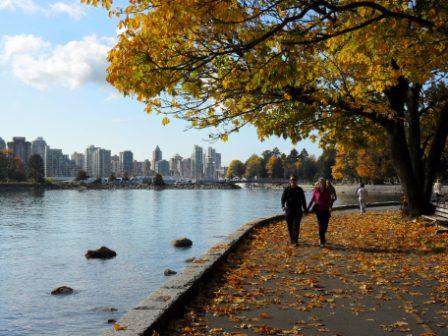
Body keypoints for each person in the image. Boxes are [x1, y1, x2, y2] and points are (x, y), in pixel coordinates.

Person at [281, 174, 307, 246]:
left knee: (296, 226)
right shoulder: (286, 189)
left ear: (296, 181)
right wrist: (283, 206)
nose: (293, 181)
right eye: (292, 180)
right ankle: (292, 239)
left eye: (294, 180)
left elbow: (303, 200)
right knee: (290, 226)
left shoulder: (300, 190)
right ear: (290, 181)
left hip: (298, 211)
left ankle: (295, 241)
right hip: (289, 211)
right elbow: (283, 199)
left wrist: (305, 209)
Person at [307, 177, 333, 247]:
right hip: (318, 211)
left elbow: (330, 201)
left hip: (326, 211)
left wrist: (330, 208)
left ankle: (322, 237)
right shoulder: (315, 191)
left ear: (324, 184)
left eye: (323, 182)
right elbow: (312, 200)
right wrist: (307, 208)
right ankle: (322, 241)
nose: (321, 184)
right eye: (320, 182)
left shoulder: (327, 191)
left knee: (325, 226)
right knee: (321, 226)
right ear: (318, 183)